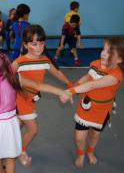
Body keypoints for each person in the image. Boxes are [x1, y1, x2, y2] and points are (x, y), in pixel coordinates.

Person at [12, 24, 73, 167]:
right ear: (26, 45)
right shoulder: (18, 63)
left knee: (19, 123)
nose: (39, 47)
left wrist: (70, 83)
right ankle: (21, 150)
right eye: (34, 44)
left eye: (41, 43)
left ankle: (11, 140)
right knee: (33, 129)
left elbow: (57, 73)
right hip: (20, 99)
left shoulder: (44, 60)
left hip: (31, 99)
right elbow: (7, 78)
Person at [67, 37, 124, 168]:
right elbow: (88, 77)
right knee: (79, 137)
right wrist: (74, 86)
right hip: (86, 107)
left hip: (101, 111)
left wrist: (71, 91)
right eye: (103, 49)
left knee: (94, 134)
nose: (103, 53)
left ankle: (90, 151)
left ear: (120, 59)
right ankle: (81, 154)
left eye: (109, 52)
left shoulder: (116, 75)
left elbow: (93, 84)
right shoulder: (95, 64)